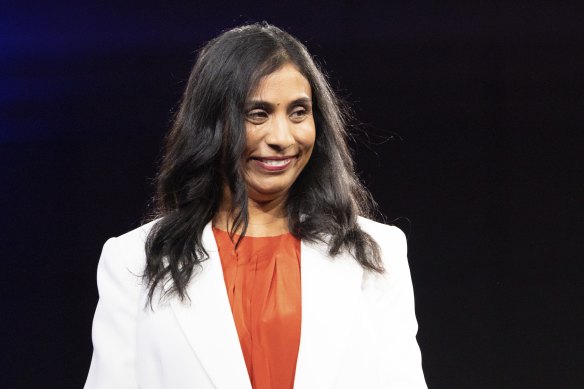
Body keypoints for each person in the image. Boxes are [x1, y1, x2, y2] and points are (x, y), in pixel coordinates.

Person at [85, 22, 427, 389]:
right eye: (257, 114)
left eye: (298, 112)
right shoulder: (133, 260)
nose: (282, 138)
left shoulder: (376, 252)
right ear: (212, 124)